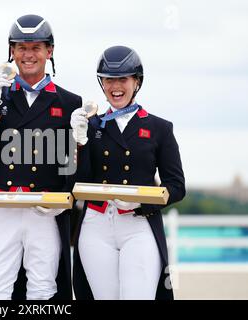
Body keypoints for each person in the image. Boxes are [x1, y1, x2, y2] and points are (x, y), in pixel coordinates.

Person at [0, 14, 82, 300]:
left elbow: (72, 162)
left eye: (36, 47)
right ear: (12, 52)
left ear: (49, 51)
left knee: (43, 290)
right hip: (4, 207)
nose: (28, 55)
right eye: (21, 47)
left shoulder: (70, 102)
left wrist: (63, 196)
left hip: (45, 210)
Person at [70, 46, 185, 300]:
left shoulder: (159, 128)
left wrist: (143, 200)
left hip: (138, 223)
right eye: (109, 80)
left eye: (123, 79)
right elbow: (76, 182)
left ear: (137, 82)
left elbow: (176, 186)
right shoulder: (90, 125)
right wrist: (77, 144)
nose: (115, 86)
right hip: (96, 225)